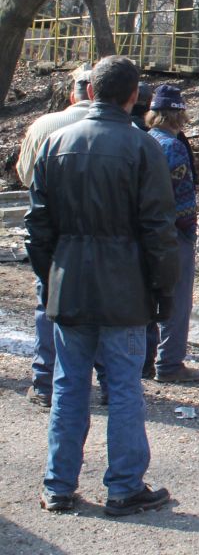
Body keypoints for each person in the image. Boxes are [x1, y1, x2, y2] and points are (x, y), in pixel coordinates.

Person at [26, 55, 180, 516]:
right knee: (125, 388)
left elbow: (37, 228)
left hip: (69, 282)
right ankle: (124, 486)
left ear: (90, 91)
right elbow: (159, 230)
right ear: (134, 97)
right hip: (125, 288)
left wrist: (52, 276)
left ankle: (58, 485)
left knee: (68, 385)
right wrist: (163, 290)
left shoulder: (54, 143)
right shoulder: (143, 148)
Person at [16, 67, 93, 407]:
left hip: (52, 234)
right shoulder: (125, 130)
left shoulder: (43, 126)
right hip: (105, 237)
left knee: (48, 305)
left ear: (74, 93)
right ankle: (108, 383)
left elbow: (25, 176)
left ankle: (45, 382)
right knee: (104, 312)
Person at [144, 84, 199, 383]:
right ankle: (169, 364)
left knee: (146, 299)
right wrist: (190, 231)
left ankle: (145, 361)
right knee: (177, 299)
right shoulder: (174, 147)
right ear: (179, 115)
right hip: (173, 233)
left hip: (144, 232)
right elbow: (183, 197)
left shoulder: (144, 141)